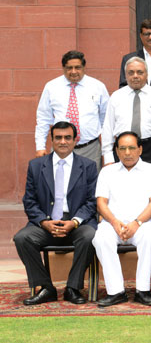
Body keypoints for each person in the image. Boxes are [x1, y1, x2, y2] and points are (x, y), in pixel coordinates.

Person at [14, 121, 97, 305]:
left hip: (76, 225)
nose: (63, 142)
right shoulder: (36, 166)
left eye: (67, 137)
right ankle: (45, 288)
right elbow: (29, 201)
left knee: (91, 236)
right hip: (46, 224)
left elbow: (92, 201)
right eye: (58, 137)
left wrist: (74, 222)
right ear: (51, 140)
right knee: (22, 238)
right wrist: (44, 222)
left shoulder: (88, 166)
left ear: (75, 140)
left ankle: (73, 288)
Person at [93, 132, 151, 307]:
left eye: (132, 148)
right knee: (101, 239)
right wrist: (115, 223)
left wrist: (136, 223)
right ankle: (116, 291)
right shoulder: (107, 171)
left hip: (141, 223)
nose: (127, 153)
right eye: (122, 148)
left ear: (140, 149)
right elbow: (101, 203)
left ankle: (142, 290)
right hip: (112, 223)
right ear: (116, 151)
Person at [35, 50, 109, 172]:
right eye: (69, 68)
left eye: (77, 67)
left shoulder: (98, 87)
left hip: (90, 148)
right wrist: (40, 146)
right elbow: (43, 118)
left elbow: (106, 120)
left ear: (84, 67)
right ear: (63, 68)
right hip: (61, 147)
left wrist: (107, 151)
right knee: (60, 184)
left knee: (91, 186)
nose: (73, 72)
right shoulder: (51, 87)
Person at [102, 57, 151, 171]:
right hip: (122, 148)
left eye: (140, 72)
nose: (135, 76)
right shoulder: (116, 97)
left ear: (146, 74)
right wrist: (108, 157)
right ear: (125, 75)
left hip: (149, 148)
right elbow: (108, 128)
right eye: (131, 72)